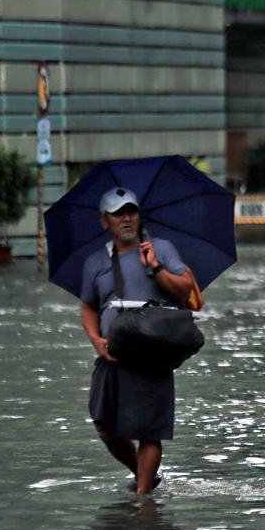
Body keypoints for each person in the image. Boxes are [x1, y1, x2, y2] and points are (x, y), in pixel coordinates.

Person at [80, 187, 194, 495]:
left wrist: (156, 267)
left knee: (149, 430)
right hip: (112, 352)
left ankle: (143, 502)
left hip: (152, 350)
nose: (127, 218)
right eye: (119, 213)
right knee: (104, 426)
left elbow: (185, 291)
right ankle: (143, 477)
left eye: (132, 211)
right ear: (105, 221)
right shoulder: (95, 262)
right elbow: (88, 307)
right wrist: (95, 340)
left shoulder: (162, 249)